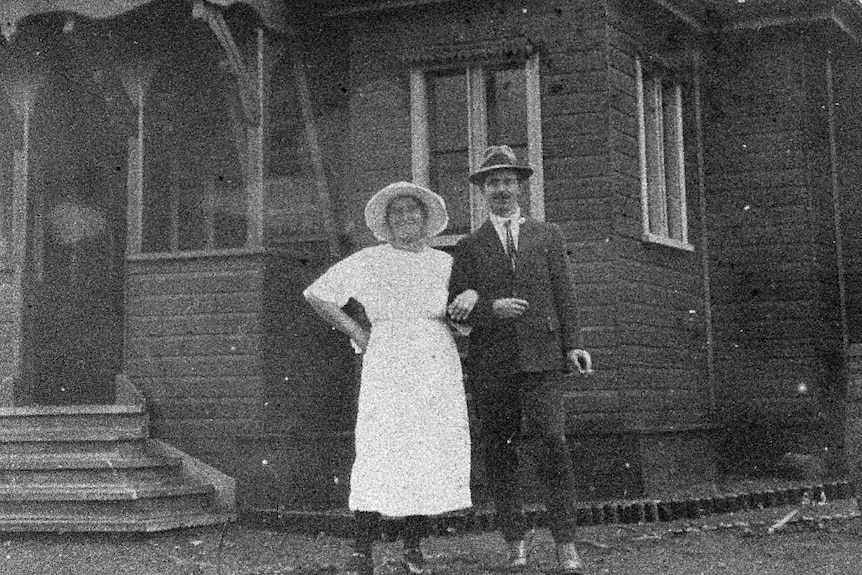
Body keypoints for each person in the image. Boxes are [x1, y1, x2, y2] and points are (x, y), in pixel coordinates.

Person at [304, 182, 471, 575]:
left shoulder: (444, 264)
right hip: (389, 357)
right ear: (386, 221)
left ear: (426, 219)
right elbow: (318, 294)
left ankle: (412, 549)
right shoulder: (370, 259)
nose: (406, 218)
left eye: (413, 211)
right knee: (380, 445)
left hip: (434, 359)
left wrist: (463, 316)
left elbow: (460, 313)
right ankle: (362, 548)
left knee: (423, 448)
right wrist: (358, 333)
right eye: (397, 212)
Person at [447, 145, 593, 574]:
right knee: (499, 450)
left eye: (508, 181)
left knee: (553, 443)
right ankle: (516, 541)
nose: (501, 189)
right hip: (493, 362)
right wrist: (490, 308)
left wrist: (574, 344)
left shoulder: (548, 235)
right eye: (493, 183)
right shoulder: (469, 246)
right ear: (482, 191)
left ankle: (566, 543)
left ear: (520, 185)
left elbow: (564, 293)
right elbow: (455, 305)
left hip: (543, 358)